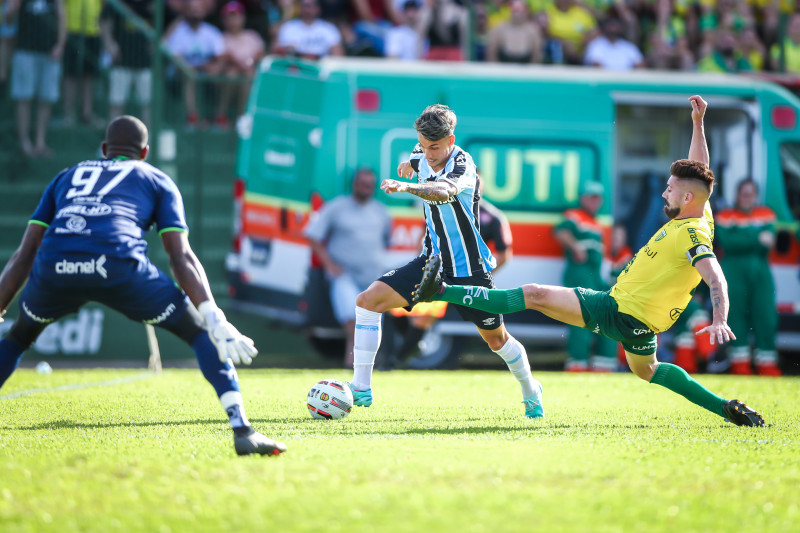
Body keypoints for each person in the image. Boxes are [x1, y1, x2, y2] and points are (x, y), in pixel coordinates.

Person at [412, 96, 765, 427]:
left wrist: (720, 317)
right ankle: (725, 408)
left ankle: (440, 289)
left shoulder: (692, 234)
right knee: (649, 370)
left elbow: (715, 277)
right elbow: (699, 171)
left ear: (686, 197)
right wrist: (698, 123)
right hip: (642, 326)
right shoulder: (701, 214)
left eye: (670, 189)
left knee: (533, 294)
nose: (663, 191)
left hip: (616, 311)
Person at [0, 116, 286, 456]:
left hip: (55, 266)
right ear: (145, 152)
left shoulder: (67, 175)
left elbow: (26, 251)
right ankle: (242, 429)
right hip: (119, 264)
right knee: (200, 333)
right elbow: (181, 256)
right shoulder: (155, 178)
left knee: (18, 336)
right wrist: (213, 316)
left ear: (105, 150)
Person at [348, 104, 543, 418]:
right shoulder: (424, 148)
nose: (427, 153)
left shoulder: (463, 165)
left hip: (470, 271)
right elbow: (414, 158)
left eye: (434, 148)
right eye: (422, 146)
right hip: (431, 263)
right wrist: (408, 163)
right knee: (367, 301)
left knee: (497, 341)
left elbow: (441, 192)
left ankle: (531, 391)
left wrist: (407, 186)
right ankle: (361, 389)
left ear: (451, 140)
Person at [304, 168, 391, 367]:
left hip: (373, 278)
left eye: (369, 185)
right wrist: (330, 265)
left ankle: (366, 367)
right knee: (352, 320)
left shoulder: (380, 211)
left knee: (371, 324)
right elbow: (313, 235)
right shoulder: (336, 207)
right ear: (354, 184)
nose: (366, 188)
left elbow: (385, 240)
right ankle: (352, 363)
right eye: (362, 184)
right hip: (345, 276)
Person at [716, 179, 781, 377]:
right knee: (736, 316)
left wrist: (741, 234)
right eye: (743, 193)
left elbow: (769, 241)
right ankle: (740, 365)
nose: (747, 197)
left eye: (750, 193)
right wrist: (755, 236)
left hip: (761, 273)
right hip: (733, 273)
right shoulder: (725, 215)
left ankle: (767, 365)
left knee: (766, 316)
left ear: (755, 195)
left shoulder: (766, 214)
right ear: (737, 194)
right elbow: (727, 243)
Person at [554, 181, 618, 372]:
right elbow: (561, 231)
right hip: (580, 275)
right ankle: (577, 364)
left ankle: (603, 365)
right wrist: (575, 247)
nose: (595, 201)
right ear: (582, 198)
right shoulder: (575, 216)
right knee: (580, 318)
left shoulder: (596, 224)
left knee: (605, 318)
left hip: (595, 277)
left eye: (598, 198)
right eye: (591, 197)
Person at [7, 0, 66, 157]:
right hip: (25, 51)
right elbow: (8, 21)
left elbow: (62, 18)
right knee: (23, 96)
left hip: (49, 53)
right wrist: (12, 9)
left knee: (46, 98)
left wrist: (60, 45)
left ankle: (40, 142)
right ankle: (24, 142)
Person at [165, 0, 225, 127]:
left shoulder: (211, 31)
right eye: (192, 10)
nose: (195, 13)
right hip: (182, 74)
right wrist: (199, 67)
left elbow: (220, 57)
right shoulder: (178, 31)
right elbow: (177, 59)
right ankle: (192, 117)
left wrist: (212, 67)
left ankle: (218, 116)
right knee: (189, 74)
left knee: (224, 73)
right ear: (186, 12)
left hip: (206, 73)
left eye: (198, 10)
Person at [100, 0, 153, 125]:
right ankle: (113, 141)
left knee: (147, 104)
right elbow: (104, 21)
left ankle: (148, 140)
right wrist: (109, 44)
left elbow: (167, 23)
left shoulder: (152, 4)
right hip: (121, 61)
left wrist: (156, 44)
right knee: (116, 103)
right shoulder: (118, 2)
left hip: (145, 63)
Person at [217, 1, 266, 125]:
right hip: (223, 80)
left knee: (248, 77)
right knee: (232, 73)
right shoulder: (220, 37)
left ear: (243, 18)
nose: (234, 20)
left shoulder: (252, 36)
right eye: (230, 16)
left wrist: (248, 65)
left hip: (248, 75)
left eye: (237, 16)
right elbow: (223, 59)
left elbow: (260, 57)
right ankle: (221, 114)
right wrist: (242, 65)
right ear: (224, 19)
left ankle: (242, 116)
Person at [61, 0, 102, 126]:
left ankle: (87, 113)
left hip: (93, 31)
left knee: (89, 76)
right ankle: (68, 114)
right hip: (72, 29)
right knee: (70, 75)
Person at [273, 0, 344, 58]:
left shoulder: (329, 28)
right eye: (304, 6)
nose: (307, 9)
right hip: (295, 67)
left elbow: (338, 55)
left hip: (322, 68)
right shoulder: (287, 27)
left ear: (318, 8)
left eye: (311, 6)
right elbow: (277, 53)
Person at [485, 0, 543, 64]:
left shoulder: (533, 31)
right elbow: (491, 55)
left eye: (521, 8)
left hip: (526, 72)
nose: (517, 12)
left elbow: (536, 57)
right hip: (502, 70)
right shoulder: (499, 29)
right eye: (515, 8)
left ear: (526, 11)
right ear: (510, 10)